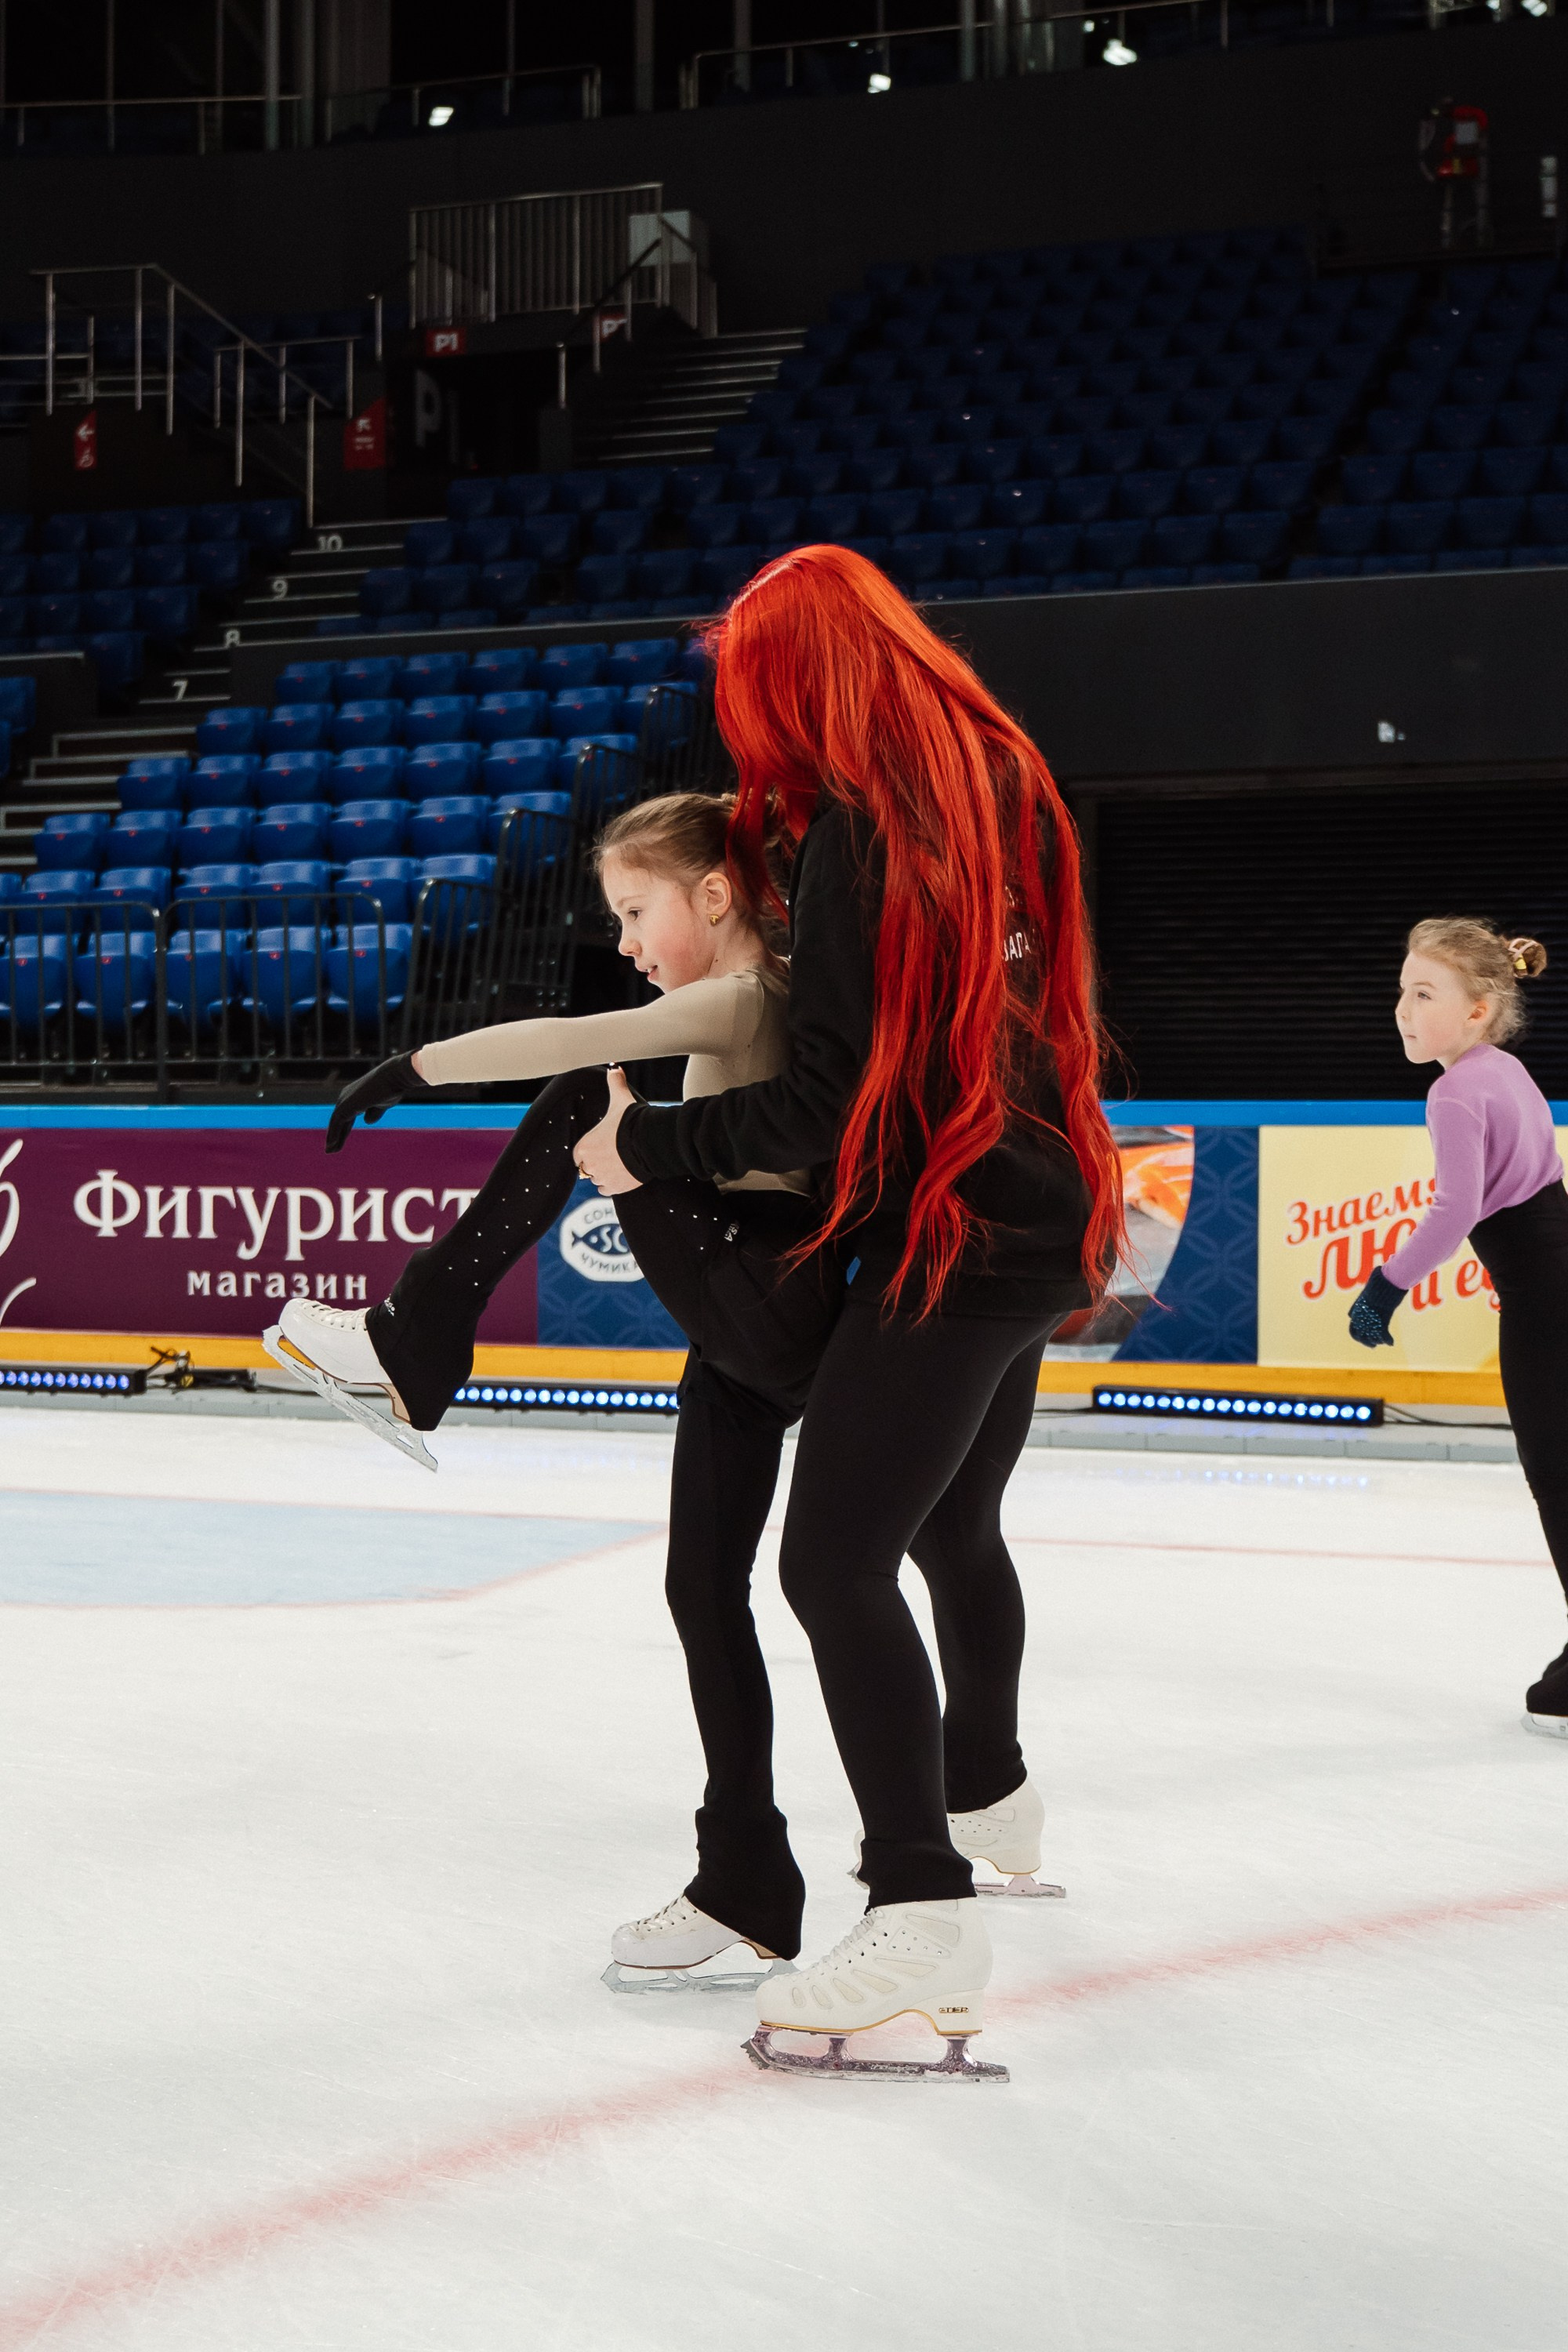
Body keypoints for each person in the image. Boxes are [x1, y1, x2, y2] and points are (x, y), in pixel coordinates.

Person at [270, 789, 1058, 1984]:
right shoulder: (727, 999)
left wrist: (419, 1061)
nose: (626, 941)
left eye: (637, 912)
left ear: (715, 894)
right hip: (744, 1328)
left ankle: (416, 1341)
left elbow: (566, 1039)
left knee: (593, 1089)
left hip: (782, 1316)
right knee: (704, 1590)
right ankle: (742, 1868)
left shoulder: (756, 993)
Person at [573, 545, 1124, 2072]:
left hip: (972, 1234)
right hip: (1041, 1204)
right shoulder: (996, 781)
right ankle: (988, 1793)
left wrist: (648, 1146)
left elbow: (814, 1101)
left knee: (829, 1558)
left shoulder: (868, 831)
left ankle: (920, 1908)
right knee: (945, 1531)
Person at [1348, 918, 1567, 1737]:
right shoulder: (1502, 1070)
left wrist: (1381, 1290)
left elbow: (1455, 1209)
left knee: (1558, 1476)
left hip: (1545, 1299)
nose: (1402, 1009)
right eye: (1401, 991)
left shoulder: (1454, 1091)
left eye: (1423, 994)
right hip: (1552, 1274)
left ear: (1477, 1010)